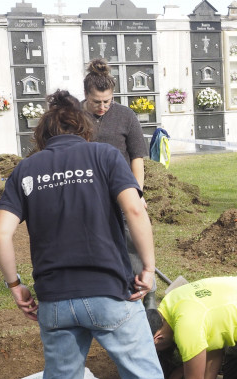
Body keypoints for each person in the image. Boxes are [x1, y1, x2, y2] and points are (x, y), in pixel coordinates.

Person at [0, 90, 190, 379]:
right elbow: (134, 208)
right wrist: (147, 267)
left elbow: (0, 234)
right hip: (110, 295)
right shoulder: (104, 155)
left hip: (55, 302)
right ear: (84, 129)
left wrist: (15, 285)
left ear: (43, 134)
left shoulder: (26, 170)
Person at [83, 58, 157, 311]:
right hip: (88, 193)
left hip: (123, 191)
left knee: (134, 243)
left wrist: (138, 192)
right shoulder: (75, 117)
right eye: (96, 102)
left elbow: (137, 156)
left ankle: (148, 298)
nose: (103, 107)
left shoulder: (126, 115)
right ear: (86, 96)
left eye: (107, 101)